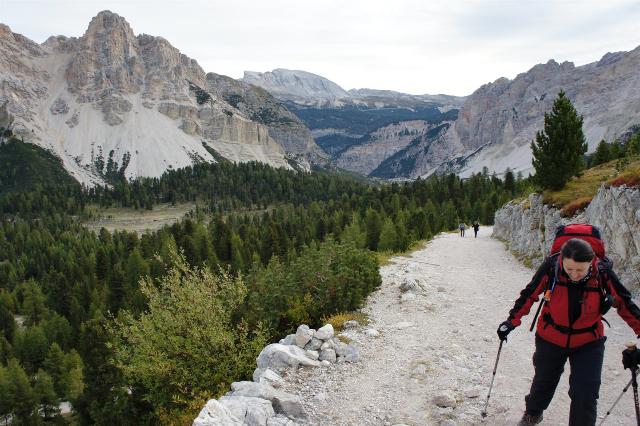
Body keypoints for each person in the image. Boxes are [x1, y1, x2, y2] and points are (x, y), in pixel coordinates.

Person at [497, 238, 640, 426]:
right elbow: (530, 294)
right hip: (550, 336)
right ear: (561, 260)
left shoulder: (602, 272)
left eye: (580, 270)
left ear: (591, 263)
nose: (574, 274)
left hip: (589, 341)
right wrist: (511, 321)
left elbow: (625, 303)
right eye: (569, 268)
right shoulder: (551, 268)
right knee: (543, 381)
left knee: (586, 392)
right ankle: (533, 413)